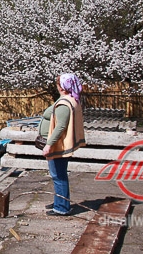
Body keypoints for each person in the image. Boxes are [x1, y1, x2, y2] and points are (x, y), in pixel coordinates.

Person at [42, 73, 86, 216]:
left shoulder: (64, 103)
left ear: (63, 86)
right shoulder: (72, 100)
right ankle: (59, 202)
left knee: (58, 176)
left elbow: (60, 126)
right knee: (59, 175)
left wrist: (49, 144)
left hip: (59, 145)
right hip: (60, 143)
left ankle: (61, 207)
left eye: (58, 85)